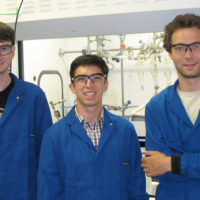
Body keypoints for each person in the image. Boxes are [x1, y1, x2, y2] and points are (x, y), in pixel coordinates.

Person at [37, 54, 149, 200]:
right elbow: (48, 193)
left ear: (105, 84)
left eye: (96, 78)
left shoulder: (125, 131)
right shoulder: (54, 136)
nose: (89, 84)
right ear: (72, 87)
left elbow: (137, 188)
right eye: (81, 79)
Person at [141, 13, 200, 200]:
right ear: (170, 53)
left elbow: (164, 165)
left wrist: (171, 163)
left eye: (196, 46)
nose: (189, 55)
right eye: (181, 48)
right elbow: (155, 170)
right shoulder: (156, 107)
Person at [0, 21, 52, 200]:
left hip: (22, 193)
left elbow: (46, 156)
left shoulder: (33, 97)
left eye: (4, 48)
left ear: (13, 52)